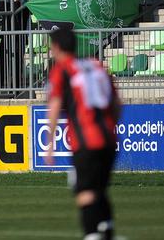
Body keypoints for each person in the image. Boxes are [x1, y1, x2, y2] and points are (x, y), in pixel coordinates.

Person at [45, 27, 120, 240]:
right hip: (110, 139)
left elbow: (54, 107)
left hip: (86, 141)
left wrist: (49, 143)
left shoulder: (62, 70)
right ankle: (107, 232)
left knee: (85, 192)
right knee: (99, 189)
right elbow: (116, 104)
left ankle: (92, 235)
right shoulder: (97, 65)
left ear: (57, 47)